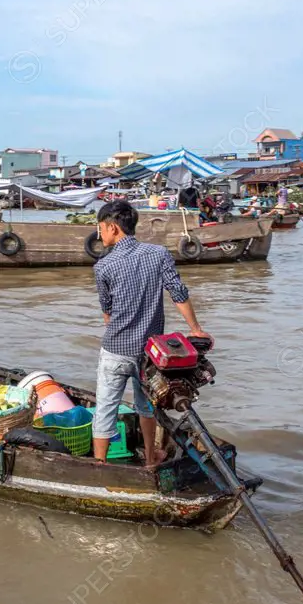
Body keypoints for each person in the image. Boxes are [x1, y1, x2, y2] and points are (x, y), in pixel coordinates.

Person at [91, 200, 211, 466]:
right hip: (149, 354)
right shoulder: (158, 254)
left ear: (113, 227)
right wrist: (196, 329)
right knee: (146, 407)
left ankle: (99, 466)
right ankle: (150, 459)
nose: (100, 235)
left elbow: (107, 312)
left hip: (115, 350)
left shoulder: (103, 267)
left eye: (101, 228)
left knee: (105, 410)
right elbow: (178, 293)